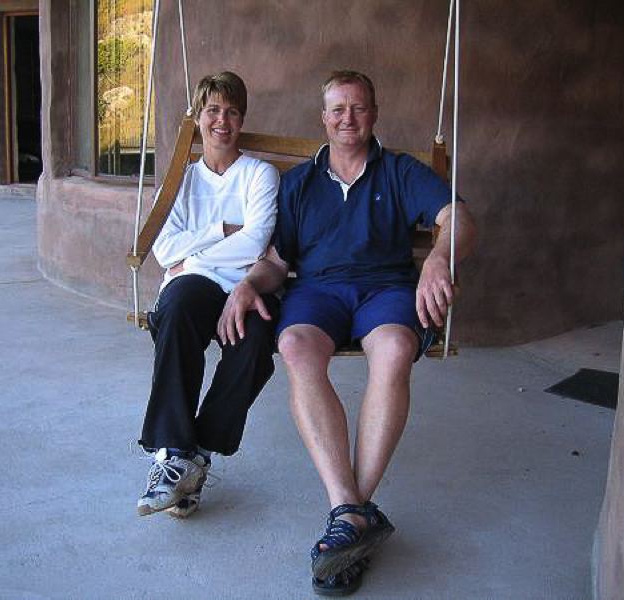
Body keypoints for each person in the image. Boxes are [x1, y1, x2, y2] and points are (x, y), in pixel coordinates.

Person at [217, 70, 476, 595]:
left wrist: (437, 259)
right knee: (294, 346)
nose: (347, 118)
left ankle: (346, 519)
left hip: (386, 290)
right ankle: (352, 511)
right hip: (319, 292)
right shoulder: (300, 183)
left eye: (358, 108)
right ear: (324, 118)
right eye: (337, 109)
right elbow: (277, 262)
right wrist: (247, 284)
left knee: (396, 348)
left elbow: (459, 217)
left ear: (373, 114)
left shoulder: (399, 171)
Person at [136, 71, 280, 519]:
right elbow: (164, 250)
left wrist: (193, 254)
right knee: (177, 309)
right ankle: (176, 452)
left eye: (232, 112)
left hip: (245, 284)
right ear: (198, 117)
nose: (222, 121)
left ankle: (191, 457)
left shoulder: (259, 175)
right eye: (213, 110)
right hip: (194, 285)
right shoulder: (181, 180)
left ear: (242, 119)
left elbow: (256, 242)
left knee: (256, 337)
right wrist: (222, 228)